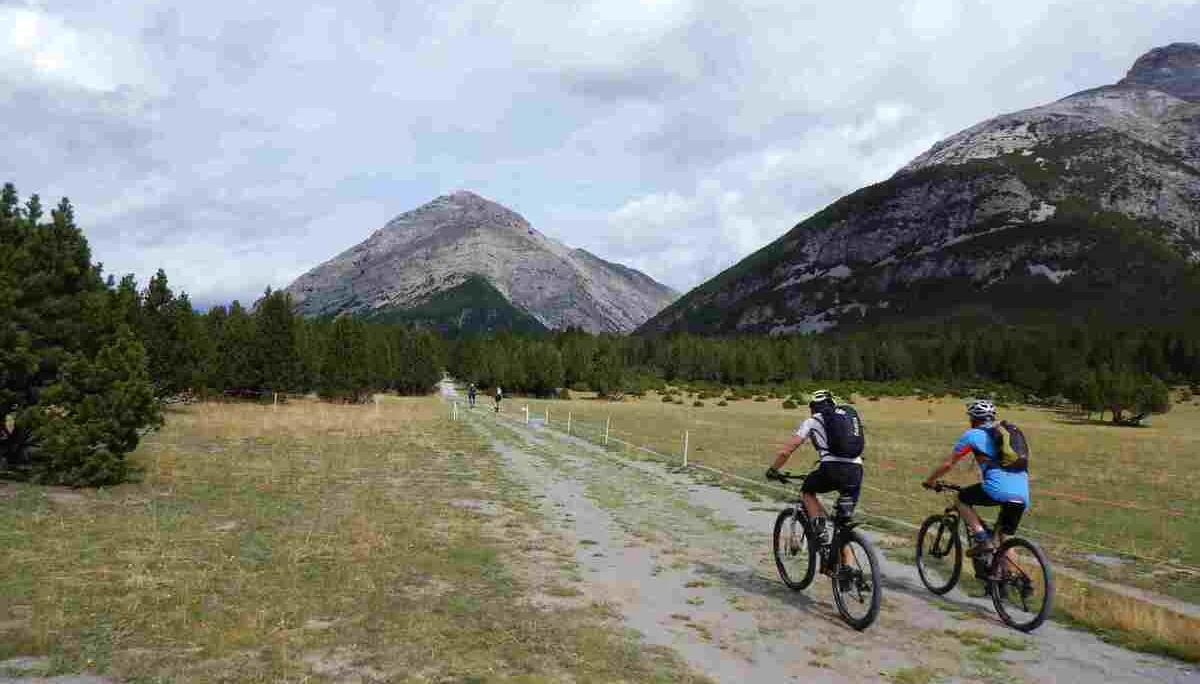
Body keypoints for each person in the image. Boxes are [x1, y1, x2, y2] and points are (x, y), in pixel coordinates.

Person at [922, 399, 1030, 561]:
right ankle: (1011, 579)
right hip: (1022, 493)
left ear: (973, 418)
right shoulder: (1007, 433)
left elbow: (948, 464)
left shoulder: (972, 435)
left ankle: (981, 538)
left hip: (996, 489)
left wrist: (930, 480)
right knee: (1003, 538)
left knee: (961, 499)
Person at [765, 389, 864, 565]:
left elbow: (787, 449)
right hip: (856, 470)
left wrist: (773, 469)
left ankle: (820, 529)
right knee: (842, 525)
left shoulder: (812, 420)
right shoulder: (846, 418)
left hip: (832, 468)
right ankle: (848, 571)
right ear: (833, 404)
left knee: (807, 491)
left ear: (813, 408)